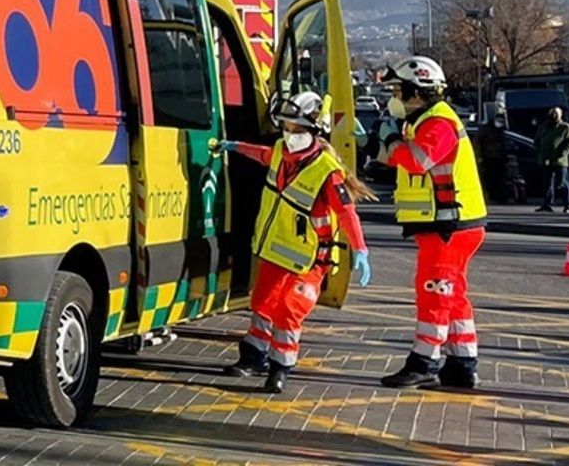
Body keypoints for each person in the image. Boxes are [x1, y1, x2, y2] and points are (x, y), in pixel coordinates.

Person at [214, 91, 373, 394]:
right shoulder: (279, 152)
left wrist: (360, 250)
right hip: (276, 249)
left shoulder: (327, 171)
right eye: (286, 128)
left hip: (311, 258)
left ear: (313, 132)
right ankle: (253, 356)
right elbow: (261, 154)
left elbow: (347, 213)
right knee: (262, 303)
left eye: (297, 130)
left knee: (289, 309)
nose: (290, 135)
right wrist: (234, 147)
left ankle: (280, 368)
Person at [375, 56, 486, 389]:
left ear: (416, 91)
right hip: (449, 225)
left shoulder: (437, 122)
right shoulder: (424, 120)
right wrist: (382, 145)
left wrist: (393, 141)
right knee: (453, 296)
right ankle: (463, 364)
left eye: (397, 90)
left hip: (448, 226)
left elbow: (418, 161)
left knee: (434, 294)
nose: (394, 97)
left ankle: (423, 362)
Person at [534, 107, 569, 214]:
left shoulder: (566, 127)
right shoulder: (543, 127)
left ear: (561, 115)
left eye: (556, 113)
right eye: (552, 113)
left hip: (560, 161)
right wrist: (539, 151)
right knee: (547, 184)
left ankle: (567, 205)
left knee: (563, 183)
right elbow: (537, 140)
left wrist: (563, 153)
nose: (554, 115)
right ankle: (547, 204)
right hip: (545, 160)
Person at [476, 116, 507, 204]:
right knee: (489, 178)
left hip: (499, 158)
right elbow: (477, 143)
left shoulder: (500, 130)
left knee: (498, 178)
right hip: (488, 158)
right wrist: (480, 157)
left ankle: (498, 196)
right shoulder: (486, 130)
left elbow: (502, 145)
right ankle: (491, 196)